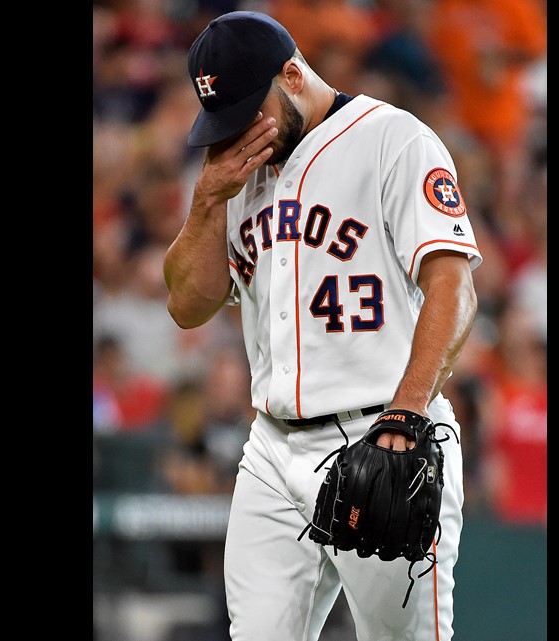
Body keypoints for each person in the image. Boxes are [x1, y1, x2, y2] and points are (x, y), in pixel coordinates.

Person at [163, 11, 482, 640]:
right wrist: (206, 203)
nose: (234, 134)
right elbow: (186, 306)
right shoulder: (234, 176)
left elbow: (454, 285)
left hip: (383, 435)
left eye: (245, 111)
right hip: (271, 448)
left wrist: (408, 412)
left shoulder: (394, 140)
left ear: (292, 74)